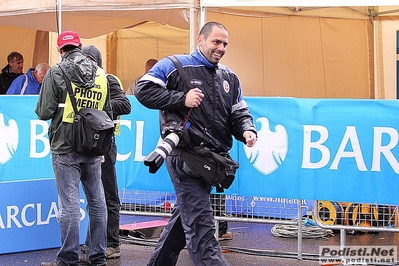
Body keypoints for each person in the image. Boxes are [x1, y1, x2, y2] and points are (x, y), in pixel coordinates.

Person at [135, 21, 258, 266]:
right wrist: (182, 98)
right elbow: (143, 90)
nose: (221, 47)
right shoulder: (174, 65)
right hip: (183, 157)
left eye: (225, 44)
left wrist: (247, 130)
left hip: (212, 162)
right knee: (201, 226)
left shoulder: (229, 77)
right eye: (216, 41)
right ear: (200, 40)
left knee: (185, 218)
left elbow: (239, 113)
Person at [36, 30, 111, 266]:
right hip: (93, 145)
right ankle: (97, 256)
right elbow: (107, 114)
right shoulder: (101, 74)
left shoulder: (56, 72)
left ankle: (68, 259)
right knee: (97, 202)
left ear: (60, 50)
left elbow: (44, 111)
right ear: (80, 46)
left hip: (65, 145)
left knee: (69, 204)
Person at [81, 44, 132, 259]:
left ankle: (112, 243)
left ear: (95, 60)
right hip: (84, 144)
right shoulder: (80, 81)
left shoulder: (107, 79)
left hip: (104, 144)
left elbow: (125, 104)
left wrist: (96, 107)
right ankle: (93, 243)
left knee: (108, 194)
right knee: (93, 196)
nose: (84, 64)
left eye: (88, 60)